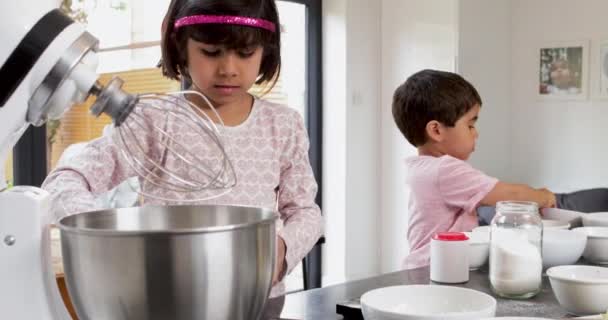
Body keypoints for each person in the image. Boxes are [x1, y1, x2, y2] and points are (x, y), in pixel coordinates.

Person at [42, 0, 323, 297]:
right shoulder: (155, 121)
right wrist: (100, 230)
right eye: (211, 52)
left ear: (266, 50)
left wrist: (282, 249)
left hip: (256, 300)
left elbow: (305, 212)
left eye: (245, 53)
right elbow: (64, 180)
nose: (228, 68)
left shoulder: (283, 125)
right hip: (167, 299)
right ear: (180, 47)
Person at [392, 69, 556, 269]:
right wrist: (543, 196)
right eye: (470, 125)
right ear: (436, 130)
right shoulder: (445, 170)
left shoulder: (421, 168)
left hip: (429, 266)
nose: (476, 133)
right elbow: (509, 194)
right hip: (435, 268)